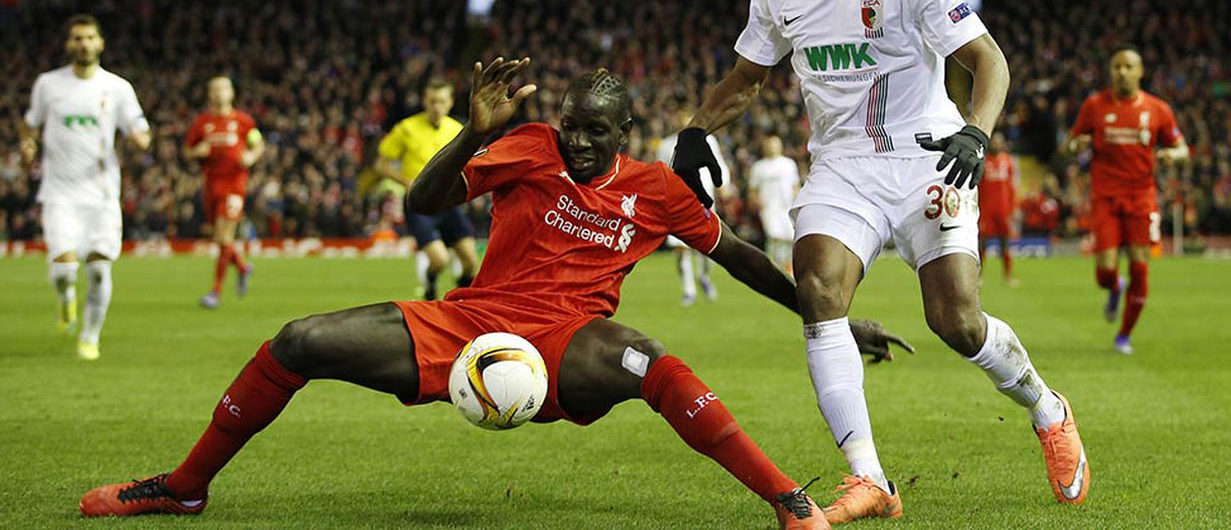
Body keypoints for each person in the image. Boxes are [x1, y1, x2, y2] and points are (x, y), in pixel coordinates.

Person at [78, 59, 912, 529]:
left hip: (569, 339)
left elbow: (739, 258)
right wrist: (473, 134)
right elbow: (423, 201)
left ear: (623, 135)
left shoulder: (656, 190)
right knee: (299, 341)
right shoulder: (528, 145)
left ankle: (788, 502)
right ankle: (186, 486)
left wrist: (832, 318)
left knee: (647, 360)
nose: (576, 141)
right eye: (570, 125)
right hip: (468, 321)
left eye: (594, 131)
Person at [670, 0, 1089, 521]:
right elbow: (747, 78)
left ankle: (1047, 408)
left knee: (956, 321)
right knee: (817, 288)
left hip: (928, 156)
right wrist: (694, 130)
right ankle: (869, 478)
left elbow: (988, 60)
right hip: (843, 167)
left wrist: (977, 131)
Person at [18, 14, 151, 360]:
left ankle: (90, 337)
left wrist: (140, 139)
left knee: (98, 268)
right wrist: (28, 143)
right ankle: (66, 301)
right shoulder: (48, 84)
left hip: (102, 195)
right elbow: (30, 124)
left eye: (90, 37)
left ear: (100, 43)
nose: (84, 44)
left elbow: (139, 127)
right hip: (59, 194)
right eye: (77, 38)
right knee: (64, 270)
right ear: (68, 44)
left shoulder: (117, 87)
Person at [1065, 47, 1187, 354]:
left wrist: (1173, 154)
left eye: (1128, 66)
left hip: (1142, 198)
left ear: (1140, 71)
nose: (1122, 72)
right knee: (1104, 272)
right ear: (1110, 71)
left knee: (1140, 266)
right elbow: (1071, 143)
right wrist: (1077, 145)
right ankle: (1115, 286)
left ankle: (1124, 336)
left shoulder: (1158, 109)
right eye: (1117, 66)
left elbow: (1182, 148)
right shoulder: (1094, 105)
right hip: (1105, 197)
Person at [374, 78, 479, 300]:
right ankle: (430, 288)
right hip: (420, 203)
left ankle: (458, 300)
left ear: (450, 102)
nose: (436, 106)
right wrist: (406, 181)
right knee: (439, 260)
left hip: (449, 202)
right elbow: (381, 165)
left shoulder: (457, 130)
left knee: (471, 261)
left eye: (441, 101)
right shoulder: (406, 128)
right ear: (424, 101)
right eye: (432, 101)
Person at [185, 76, 264, 309]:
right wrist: (197, 151)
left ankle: (215, 292)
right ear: (209, 94)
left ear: (231, 93)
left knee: (223, 237)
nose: (219, 93)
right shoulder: (202, 123)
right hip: (211, 186)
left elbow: (258, 144)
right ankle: (242, 267)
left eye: (223, 89)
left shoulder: (243, 121)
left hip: (234, 185)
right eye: (215, 89)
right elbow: (187, 151)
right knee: (221, 239)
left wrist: (251, 156)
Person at [655, 110, 731, 305]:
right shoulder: (666, 145)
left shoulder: (707, 140)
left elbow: (719, 163)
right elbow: (660, 172)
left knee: (708, 246)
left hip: (703, 199)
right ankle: (688, 290)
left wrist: (724, 185)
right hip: (676, 202)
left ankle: (704, 276)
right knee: (681, 248)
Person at [749, 135, 802, 273]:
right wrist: (757, 201)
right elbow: (752, 190)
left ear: (780, 146)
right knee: (774, 236)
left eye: (774, 144)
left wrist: (799, 202)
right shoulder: (759, 167)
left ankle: (788, 268)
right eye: (769, 144)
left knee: (789, 237)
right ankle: (774, 267)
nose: (772, 147)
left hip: (787, 207)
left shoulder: (789, 164)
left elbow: (795, 185)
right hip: (769, 208)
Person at [977, 132, 1020, 286]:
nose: (996, 144)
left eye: (999, 141)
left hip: (1003, 209)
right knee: (982, 243)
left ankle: (1007, 276)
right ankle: (978, 276)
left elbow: (1011, 186)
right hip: (986, 209)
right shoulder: (983, 161)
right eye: (994, 141)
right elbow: (978, 187)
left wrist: (1014, 207)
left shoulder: (1007, 161)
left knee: (1005, 242)